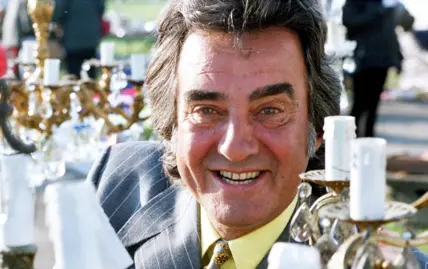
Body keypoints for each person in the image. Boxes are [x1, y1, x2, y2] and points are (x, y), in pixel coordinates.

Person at [87, 0, 428, 268]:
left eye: (269, 110)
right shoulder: (115, 184)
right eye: (207, 110)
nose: (236, 148)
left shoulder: (373, 260)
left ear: (318, 128)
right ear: (171, 124)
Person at [343, 0, 402, 137]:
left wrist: (398, 58)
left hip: (382, 62)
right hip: (363, 60)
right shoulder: (358, 3)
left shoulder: (386, 4)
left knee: (373, 107)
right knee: (359, 105)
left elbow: (390, 32)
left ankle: (368, 143)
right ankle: (351, 142)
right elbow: (349, 20)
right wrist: (378, 10)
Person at [52, 0, 105, 78]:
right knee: (90, 76)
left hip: (73, 39)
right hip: (90, 37)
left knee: (75, 76)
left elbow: (58, 12)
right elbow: (101, 8)